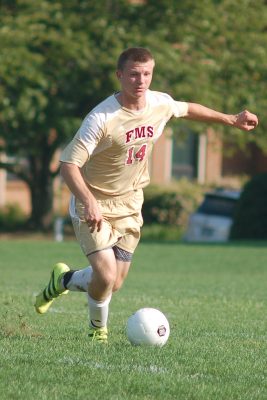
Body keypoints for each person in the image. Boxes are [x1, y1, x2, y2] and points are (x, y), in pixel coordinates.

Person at [34, 47, 258, 343]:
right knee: (105, 276)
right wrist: (88, 201)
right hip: (95, 204)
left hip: (131, 203)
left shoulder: (158, 103)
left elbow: (188, 108)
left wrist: (230, 119)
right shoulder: (101, 118)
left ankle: (62, 280)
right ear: (120, 76)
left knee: (114, 283)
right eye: (134, 74)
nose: (141, 81)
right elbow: (68, 165)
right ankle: (97, 331)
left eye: (147, 74)